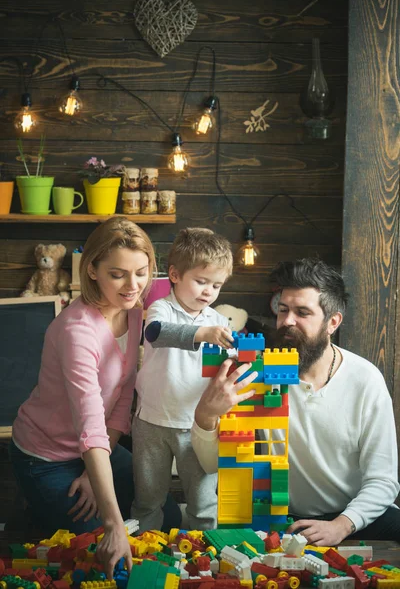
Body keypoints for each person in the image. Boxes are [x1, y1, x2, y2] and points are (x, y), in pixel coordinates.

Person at [9, 217, 181, 578]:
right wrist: (113, 524)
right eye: (117, 274)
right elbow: (89, 423)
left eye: (141, 272)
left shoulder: (133, 311)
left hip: (97, 447)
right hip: (48, 455)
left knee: (164, 513)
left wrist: (92, 469)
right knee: (89, 547)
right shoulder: (77, 332)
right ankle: (36, 509)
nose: (132, 285)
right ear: (92, 270)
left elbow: (123, 393)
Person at [191, 258, 400, 545]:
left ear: (333, 322)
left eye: (302, 312)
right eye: (283, 309)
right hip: (284, 517)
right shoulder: (256, 374)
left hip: (350, 516)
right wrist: (206, 415)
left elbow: (384, 480)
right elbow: (213, 463)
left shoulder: (365, 380)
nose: (288, 321)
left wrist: (342, 525)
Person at [130, 228, 235, 532]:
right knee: (148, 499)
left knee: (203, 502)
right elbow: (155, 334)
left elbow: (225, 368)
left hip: (197, 427)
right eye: (201, 281)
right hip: (151, 420)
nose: (208, 292)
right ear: (174, 274)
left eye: (216, 285)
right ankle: (145, 552)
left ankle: (210, 560)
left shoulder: (217, 321)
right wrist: (202, 334)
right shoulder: (162, 309)